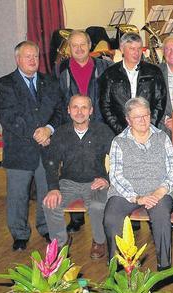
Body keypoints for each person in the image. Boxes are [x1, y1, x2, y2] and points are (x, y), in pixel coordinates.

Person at [0, 41, 64, 251]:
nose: (33, 60)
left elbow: (60, 111)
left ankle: (45, 228)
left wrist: (49, 129)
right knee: (18, 195)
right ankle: (20, 234)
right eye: (28, 56)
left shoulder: (50, 82)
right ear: (18, 59)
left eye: (35, 56)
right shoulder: (3, 85)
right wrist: (38, 133)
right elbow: (9, 118)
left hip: (47, 148)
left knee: (46, 192)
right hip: (19, 150)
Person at [103, 97, 173, 271]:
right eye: (137, 117)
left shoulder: (162, 137)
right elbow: (115, 175)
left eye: (146, 115)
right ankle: (120, 268)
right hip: (127, 193)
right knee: (111, 218)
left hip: (158, 190)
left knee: (161, 217)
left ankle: (164, 267)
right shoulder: (119, 141)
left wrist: (161, 190)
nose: (143, 120)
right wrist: (137, 197)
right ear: (128, 120)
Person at [42, 95, 114, 258]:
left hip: (96, 182)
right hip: (68, 182)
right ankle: (60, 243)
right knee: (50, 204)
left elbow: (117, 159)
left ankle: (99, 241)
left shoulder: (102, 131)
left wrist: (107, 180)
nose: (79, 112)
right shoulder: (61, 133)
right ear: (68, 110)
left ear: (91, 111)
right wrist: (53, 188)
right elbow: (51, 163)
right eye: (75, 107)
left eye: (84, 107)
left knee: (97, 206)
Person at [57, 30, 113, 233]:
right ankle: (76, 218)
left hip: (98, 124)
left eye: (83, 44)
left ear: (90, 46)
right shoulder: (62, 69)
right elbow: (61, 98)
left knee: (97, 167)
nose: (79, 49)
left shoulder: (103, 66)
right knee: (73, 167)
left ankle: (101, 214)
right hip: (74, 124)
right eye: (74, 45)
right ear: (69, 48)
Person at [99, 32, 166, 135]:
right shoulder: (110, 74)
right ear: (122, 49)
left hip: (148, 130)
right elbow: (105, 106)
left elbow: (160, 103)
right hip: (120, 132)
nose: (136, 52)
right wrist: (122, 131)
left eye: (139, 49)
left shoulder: (154, 72)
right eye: (132, 49)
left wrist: (148, 126)